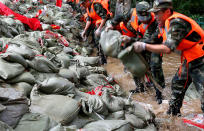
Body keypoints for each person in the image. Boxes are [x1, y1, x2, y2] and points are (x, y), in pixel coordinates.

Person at [133, 0, 204, 116]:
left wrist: (144, 46)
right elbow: (152, 39)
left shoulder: (177, 22)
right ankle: (173, 113)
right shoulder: (163, 24)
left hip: (201, 58)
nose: (154, 16)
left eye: (157, 13)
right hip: (190, 58)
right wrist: (131, 42)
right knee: (177, 83)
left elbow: (167, 49)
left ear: (167, 11)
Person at [106, 1, 165, 104]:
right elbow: (120, 16)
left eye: (146, 15)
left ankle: (159, 93)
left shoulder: (154, 22)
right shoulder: (132, 13)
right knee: (133, 64)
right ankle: (140, 87)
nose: (145, 19)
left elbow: (149, 40)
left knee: (154, 67)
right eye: (142, 16)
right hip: (138, 41)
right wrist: (112, 24)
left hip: (154, 45)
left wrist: (130, 39)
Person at [81, 0, 113, 65]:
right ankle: (102, 57)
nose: (83, 5)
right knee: (96, 39)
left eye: (83, 3)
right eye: (82, 4)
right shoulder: (88, 8)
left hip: (106, 22)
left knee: (101, 38)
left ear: (87, 1)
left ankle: (106, 58)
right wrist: (84, 31)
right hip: (99, 23)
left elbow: (104, 17)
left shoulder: (96, 5)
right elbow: (89, 20)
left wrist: (99, 29)